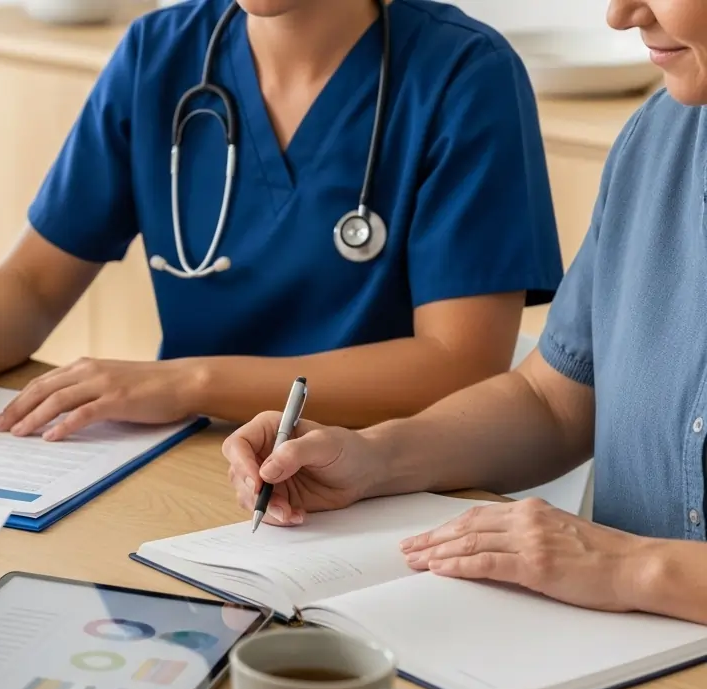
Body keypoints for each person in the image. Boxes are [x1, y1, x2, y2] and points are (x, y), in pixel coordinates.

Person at [0, 0, 563, 440]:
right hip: (181, 458)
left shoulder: (463, 75)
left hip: (375, 475)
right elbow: (36, 281)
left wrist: (187, 384)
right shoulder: (158, 55)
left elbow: (459, 366)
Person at [222, 0, 707, 626]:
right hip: (632, 667)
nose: (620, 15)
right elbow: (554, 402)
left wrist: (635, 568)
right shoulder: (659, 139)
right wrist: (372, 458)